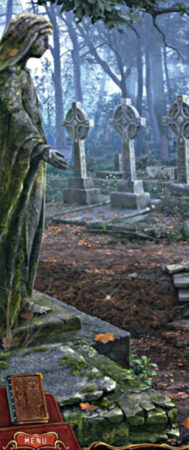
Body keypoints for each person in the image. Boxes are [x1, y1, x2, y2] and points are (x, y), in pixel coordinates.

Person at [0, 14, 68, 331]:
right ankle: (9, 303)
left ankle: (20, 297)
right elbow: (14, 115)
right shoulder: (8, 76)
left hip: (29, 166)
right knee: (16, 231)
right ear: (26, 38)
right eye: (43, 38)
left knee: (27, 231)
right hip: (13, 170)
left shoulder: (22, 75)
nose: (47, 45)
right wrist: (41, 148)